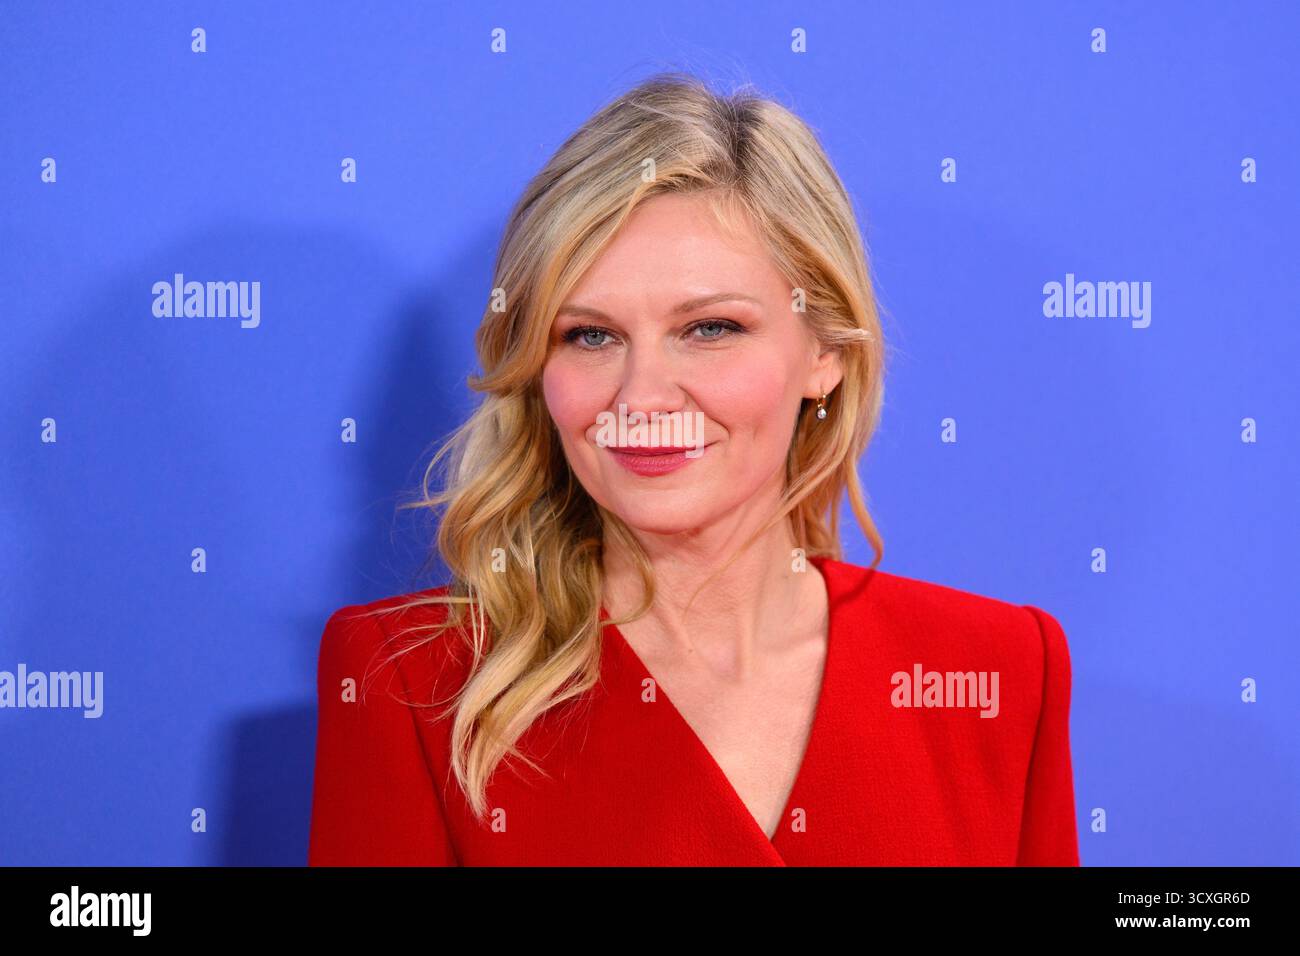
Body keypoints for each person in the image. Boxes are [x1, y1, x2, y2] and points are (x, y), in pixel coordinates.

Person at [307, 72, 1080, 866]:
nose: (642, 396)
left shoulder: (995, 670)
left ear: (825, 352)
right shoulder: (412, 684)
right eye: (590, 336)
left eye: (710, 327)